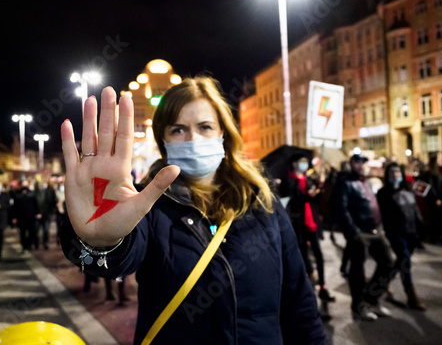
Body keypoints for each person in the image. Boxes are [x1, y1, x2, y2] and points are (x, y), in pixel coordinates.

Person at [60, 77, 327, 344]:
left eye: (205, 127)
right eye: (178, 129)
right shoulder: (146, 204)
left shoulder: (262, 201)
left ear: (223, 133)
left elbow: (299, 303)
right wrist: (101, 242)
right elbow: (114, 260)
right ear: (163, 140)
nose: (193, 139)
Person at [332, 153, 394, 321]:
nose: (361, 165)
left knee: (389, 262)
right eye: (357, 162)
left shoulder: (366, 181)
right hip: (360, 233)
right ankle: (359, 307)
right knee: (357, 271)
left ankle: (372, 299)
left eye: (363, 162)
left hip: (376, 231)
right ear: (351, 164)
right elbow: (342, 209)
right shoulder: (345, 183)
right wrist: (353, 232)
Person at [285, 153, 335, 303]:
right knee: (303, 255)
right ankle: (310, 290)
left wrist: (319, 187)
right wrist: (309, 194)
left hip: (311, 221)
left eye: (306, 162)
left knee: (318, 254)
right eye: (301, 162)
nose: (304, 165)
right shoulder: (289, 181)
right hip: (298, 224)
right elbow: (294, 200)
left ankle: (323, 286)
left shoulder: (307, 179)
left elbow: (315, 199)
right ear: (294, 163)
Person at [377, 163, 426, 310]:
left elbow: (415, 211)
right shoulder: (383, 193)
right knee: (405, 261)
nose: (395, 175)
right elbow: (382, 215)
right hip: (396, 234)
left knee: (401, 263)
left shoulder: (408, 190)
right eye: (392, 173)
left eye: (397, 172)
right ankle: (411, 295)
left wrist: (421, 229)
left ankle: (383, 284)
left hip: (411, 233)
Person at [418, 153, 442, 243]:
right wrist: (436, 199)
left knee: (438, 218)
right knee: (436, 218)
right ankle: (435, 236)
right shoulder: (431, 173)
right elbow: (431, 187)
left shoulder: (437, 171)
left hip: (438, 198)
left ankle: (437, 236)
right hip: (434, 199)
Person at [13, 180, 40, 253]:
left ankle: (28, 244)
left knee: (32, 232)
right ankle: (24, 246)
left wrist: (37, 213)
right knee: (22, 233)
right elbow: (15, 207)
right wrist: (14, 217)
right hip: (21, 217)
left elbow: (35, 204)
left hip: (31, 216)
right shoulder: (17, 194)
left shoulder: (31, 193)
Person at [35, 181, 57, 250]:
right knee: (36, 230)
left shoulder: (47, 193)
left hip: (46, 214)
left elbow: (51, 201)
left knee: (46, 230)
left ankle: (45, 243)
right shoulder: (35, 194)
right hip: (37, 215)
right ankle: (36, 244)